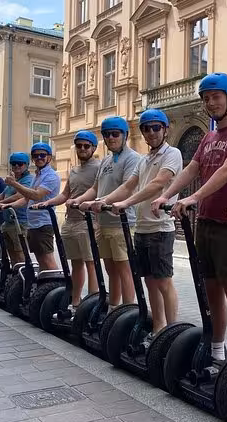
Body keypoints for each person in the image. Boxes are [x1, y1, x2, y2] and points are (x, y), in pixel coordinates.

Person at [151, 73, 227, 361]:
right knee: (212, 294)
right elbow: (191, 169)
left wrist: (194, 197)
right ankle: (215, 352)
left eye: (216, 96)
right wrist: (167, 195)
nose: (211, 103)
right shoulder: (208, 137)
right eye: (206, 98)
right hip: (206, 224)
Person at [90, 109, 182, 344]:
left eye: (156, 128)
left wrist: (126, 203)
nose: (151, 133)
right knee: (149, 281)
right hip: (141, 228)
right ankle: (158, 328)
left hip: (161, 228)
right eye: (146, 129)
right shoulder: (145, 160)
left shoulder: (172, 154)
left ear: (165, 129)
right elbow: (129, 186)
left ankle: (173, 334)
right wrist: (102, 201)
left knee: (163, 282)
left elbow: (158, 183)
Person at [75, 117, 141, 309]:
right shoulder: (106, 161)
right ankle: (113, 308)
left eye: (115, 134)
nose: (111, 138)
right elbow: (96, 188)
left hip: (122, 223)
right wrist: (78, 200)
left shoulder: (133, 159)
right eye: (106, 135)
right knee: (110, 269)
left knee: (124, 269)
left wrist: (101, 202)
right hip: (103, 223)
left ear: (125, 135)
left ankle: (128, 312)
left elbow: (127, 189)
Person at [33, 130, 101, 311]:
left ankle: (92, 302)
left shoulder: (99, 167)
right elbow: (65, 194)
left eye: (86, 146)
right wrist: (47, 202)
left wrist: (86, 203)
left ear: (94, 148)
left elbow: (102, 193)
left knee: (91, 263)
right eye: (79, 146)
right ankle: (76, 301)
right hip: (71, 222)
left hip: (88, 222)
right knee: (76, 264)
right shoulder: (74, 170)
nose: (82, 149)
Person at [3, 143, 61, 271]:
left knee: (47, 260)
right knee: (40, 260)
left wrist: (14, 184)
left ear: (49, 157)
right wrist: (6, 206)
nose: (39, 158)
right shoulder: (38, 175)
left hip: (44, 223)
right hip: (33, 224)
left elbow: (36, 195)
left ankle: (56, 285)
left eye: (42, 155)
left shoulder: (51, 176)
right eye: (36, 155)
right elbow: (26, 199)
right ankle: (44, 287)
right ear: (33, 159)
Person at [0, 153, 34, 266]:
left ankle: (23, 277)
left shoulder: (28, 180)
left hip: (20, 222)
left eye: (20, 164)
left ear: (26, 165)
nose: (16, 166)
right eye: (13, 164)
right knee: (10, 252)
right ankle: (15, 276)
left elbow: (18, 196)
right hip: (9, 222)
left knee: (20, 253)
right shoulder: (13, 180)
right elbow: (3, 194)